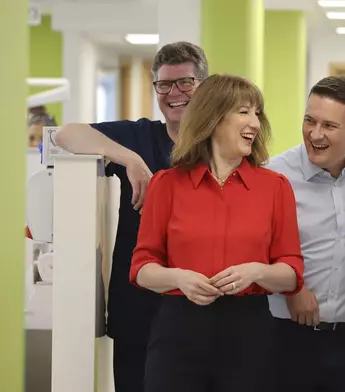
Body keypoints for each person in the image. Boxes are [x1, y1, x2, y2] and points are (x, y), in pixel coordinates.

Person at [130, 73, 305, 392]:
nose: (255, 121)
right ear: (212, 116)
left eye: (257, 113)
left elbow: (292, 273)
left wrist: (257, 271)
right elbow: (142, 268)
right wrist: (178, 278)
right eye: (244, 111)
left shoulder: (275, 188)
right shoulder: (166, 184)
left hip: (249, 336)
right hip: (177, 335)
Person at [54, 41, 207, 392]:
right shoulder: (138, 137)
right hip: (138, 308)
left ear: (204, 85)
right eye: (164, 84)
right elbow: (66, 134)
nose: (174, 93)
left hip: (198, 308)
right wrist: (129, 159)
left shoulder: (218, 145)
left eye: (185, 82)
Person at [266, 76, 345, 392]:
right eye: (309, 121)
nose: (315, 134)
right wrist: (293, 289)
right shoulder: (274, 174)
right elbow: (255, 246)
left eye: (329, 126)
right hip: (288, 338)